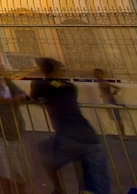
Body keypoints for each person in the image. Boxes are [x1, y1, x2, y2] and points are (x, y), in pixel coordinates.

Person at [31, 58, 109, 194]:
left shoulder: (43, 86)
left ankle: (58, 188)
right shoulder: (70, 88)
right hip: (89, 136)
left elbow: (36, 93)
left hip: (70, 137)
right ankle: (77, 189)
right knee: (94, 183)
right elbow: (56, 88)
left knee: (46, 152)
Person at [0, 62, 28, 194]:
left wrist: (20, 97)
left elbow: (22, 94)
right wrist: (5, 99)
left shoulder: (9, 83)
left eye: (1, 70)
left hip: (15, 128)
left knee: (18, 168)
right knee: (3, 167)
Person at [94, 68, 126, 140]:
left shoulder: (104, 82)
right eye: (95, 74)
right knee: (115, 118)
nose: (96, 75)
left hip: (111, 101)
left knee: (117, 118)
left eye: (98, 74)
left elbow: (117, 88)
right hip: (107, 101)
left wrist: (110, 95)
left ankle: (123, 135)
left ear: (102, 74)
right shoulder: (100, 82)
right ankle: (122, 134)